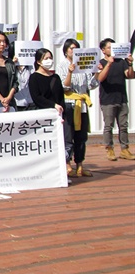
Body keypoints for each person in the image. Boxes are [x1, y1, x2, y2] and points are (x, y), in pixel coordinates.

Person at [57, 39, 100, 176]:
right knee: (68, 136)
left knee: (81, 137)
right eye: (70, 48)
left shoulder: (83, 64)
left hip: (82, 105)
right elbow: (64, 87)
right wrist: (70, 72)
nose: (73, 51)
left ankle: (80, 164)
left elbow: (92, 85)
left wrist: (97, 72)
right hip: (69, 104)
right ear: (65, 51)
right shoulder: (62, 65)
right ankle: (67, 163)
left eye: (75, 48)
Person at [28, 48, 73, 177]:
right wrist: (52, 105)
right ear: (39, 61)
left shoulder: (56, 77)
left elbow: (60, 97)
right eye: (46, 58)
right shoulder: (34, 78)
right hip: (43, 116)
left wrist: (61, 112)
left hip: (57, 116)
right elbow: (37, 97)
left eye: (50, 58)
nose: (49, 61)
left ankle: (63, 169)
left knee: (62, 142)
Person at [97, 38, 135, 161]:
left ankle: (124, 149)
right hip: (107, 100)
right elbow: (100, 78)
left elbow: (130, 75)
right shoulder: (100, 62)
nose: (111, 49)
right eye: (109, 47)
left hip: (122, 98)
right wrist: (109, 63)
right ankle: (109, 149)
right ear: (103, 50)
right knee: (109, 126)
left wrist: (130, 64)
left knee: (123, 125)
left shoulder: (121, 61)